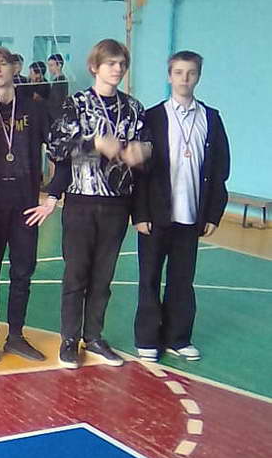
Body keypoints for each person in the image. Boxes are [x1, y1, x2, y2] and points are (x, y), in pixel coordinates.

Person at [47, 39, 152, 369]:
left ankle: (93, 335)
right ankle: (69, 338)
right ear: (95, 67)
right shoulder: (76, 104)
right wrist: (93, 143)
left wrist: (143, 152)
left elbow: (147, 148)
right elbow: (56, 147)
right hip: (81, 200)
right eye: (110, 63)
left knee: (103, 277)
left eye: (121, 64)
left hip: (117, 203)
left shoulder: (133, 108)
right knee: (76, 273)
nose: (117, 69)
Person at [132, 51, 230, 362]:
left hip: (191, 216)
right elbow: (140, 171)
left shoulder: (211, 118)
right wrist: (140, 213)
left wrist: (213, 213)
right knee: (149, 278)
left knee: (182, 280)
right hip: (155, 215)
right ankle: (147, 339)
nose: (184, 79)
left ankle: (177, 338)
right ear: (169, 76)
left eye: (190, 73)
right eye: (178, 72)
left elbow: (220, 169)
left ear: (198, 76)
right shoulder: (152, 117)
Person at [0, 47, 60, 364]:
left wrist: (53, 194)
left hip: (25, 203)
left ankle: (15, 336)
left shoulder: (34, 108)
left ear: (14, 68)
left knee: (22, 272)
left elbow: (59, 149)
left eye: (3, 64)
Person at [46, 53, 69, 120]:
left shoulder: (60, 81)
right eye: (48, 66)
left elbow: (57, 101)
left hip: (56, 115)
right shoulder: (58, 80)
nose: (49, 68)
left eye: (51, 65)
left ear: (59, 65)